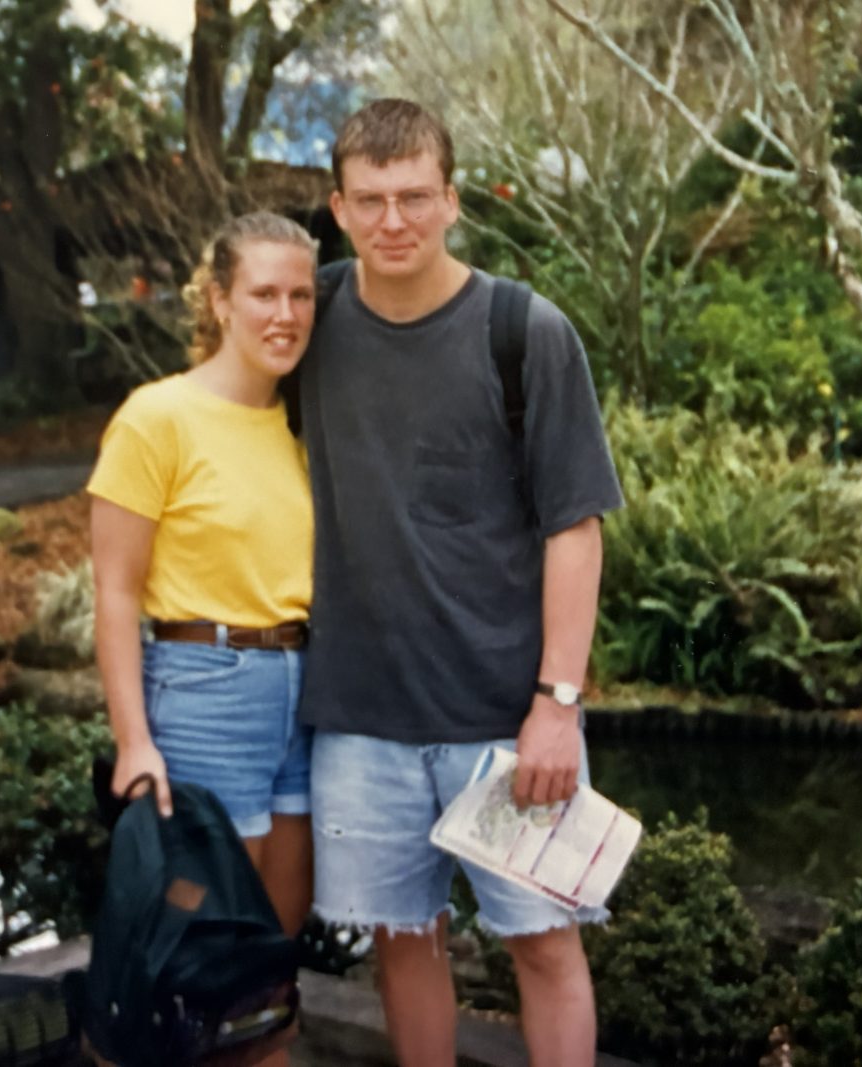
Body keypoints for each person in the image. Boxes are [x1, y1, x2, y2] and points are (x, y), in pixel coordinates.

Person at [294, 99, 624, 1066]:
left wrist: (557, 703)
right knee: (405, 946)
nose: (393, 220)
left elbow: (576, 526)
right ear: (339, 208)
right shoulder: (306, 324)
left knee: (545, 943)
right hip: (362, 716)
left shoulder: (526, 329)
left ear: (453, 201)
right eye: (370, 200)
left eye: (414, 197)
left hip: (506, 718)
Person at [88, 211, 318, 952]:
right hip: (203, 694)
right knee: (201, 946)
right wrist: (133, 741)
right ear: (218, 299)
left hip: (304, 692)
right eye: (263, 294)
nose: (285, 315)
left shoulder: (306, 425)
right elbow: (116, 595)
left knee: (272, 950)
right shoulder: (156, 418)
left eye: (301, 296)